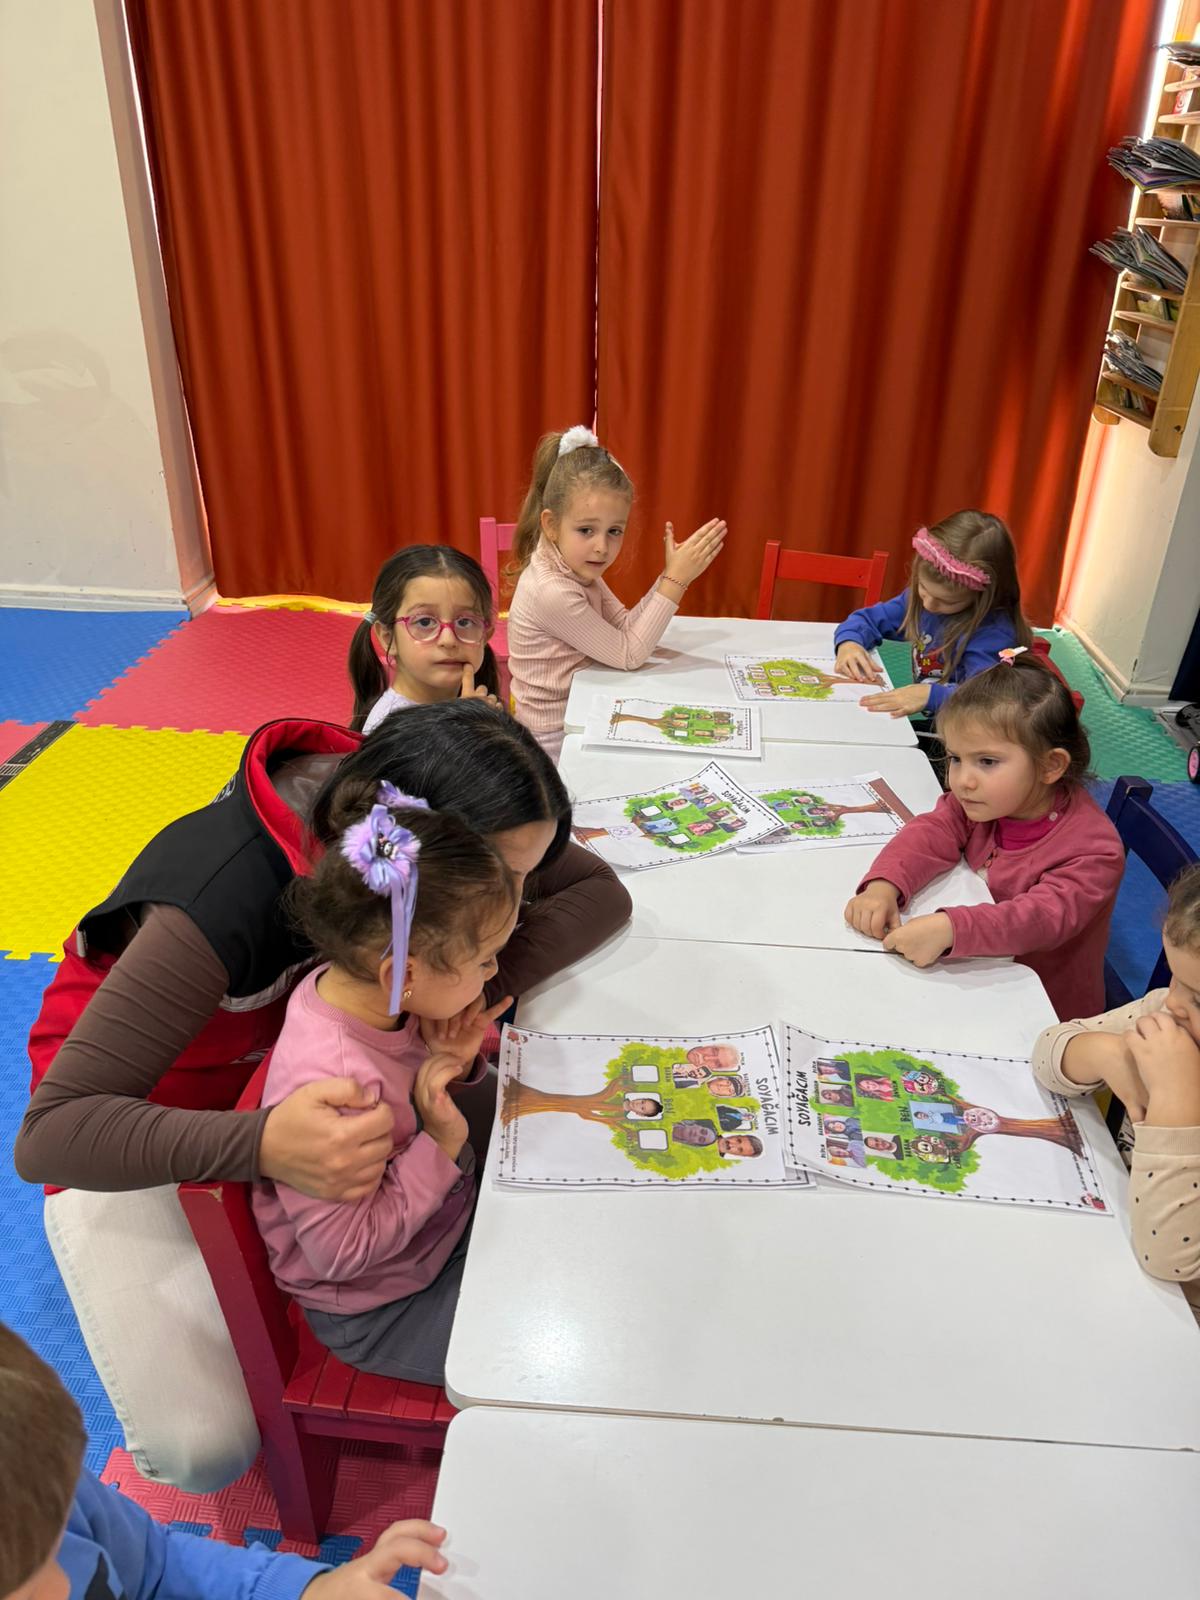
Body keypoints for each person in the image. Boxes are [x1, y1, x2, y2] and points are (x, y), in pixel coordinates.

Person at [15, 701, 631, 1493]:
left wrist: (460, 986)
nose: (523, 897)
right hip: (131, 1125)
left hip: (337, 1080)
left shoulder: (409, 818)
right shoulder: (222, 899)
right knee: (204, 1446)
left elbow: (599, 892)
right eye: (508, 881)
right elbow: (52, 1133)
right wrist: (262, 1143)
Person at [254, 789, 518, 1385]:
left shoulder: (374, 997)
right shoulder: (338, 1088)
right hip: (384, 1309)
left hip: (445, 1230)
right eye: (484, 960)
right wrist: (440, 1143)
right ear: (403, 972)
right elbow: (342, 1252)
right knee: (562, 1353)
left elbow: (428, 1094)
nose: (494, 972)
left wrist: (459, 1063)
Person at [0, 1321, 449, 1600]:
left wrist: (309, 1590)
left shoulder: (35, 1488)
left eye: (57, 1549)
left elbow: (156, 1564)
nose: (64, 1586)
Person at [843, 653, 1122, 1020]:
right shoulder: (991, 800)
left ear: (1050, 765)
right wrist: (885, 884)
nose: (962, 781)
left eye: (987, 762)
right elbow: (935, 829)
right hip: (974, 975)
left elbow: (1039, 918)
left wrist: (952, 928)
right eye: (956, 758)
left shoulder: (1094, 851)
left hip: (1043, 1008)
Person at [1031, 862, 1200, 1317]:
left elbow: (1170, 1260)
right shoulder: (1167, 1013)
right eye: (1174, 976)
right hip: (1114, 1227)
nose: (1173, 1002)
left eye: (1198, 997)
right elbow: (1048, 1052)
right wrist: (1105, 1053)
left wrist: (1177, 1102)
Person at [506, 425, 727, 758]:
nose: (602, 546)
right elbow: (629, 655)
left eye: (614, 531)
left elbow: (623, 625)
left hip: (581, 712)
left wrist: (669, 576)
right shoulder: (552, 590)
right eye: (586, 530)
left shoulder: (573, 564)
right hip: (553, 741)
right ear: (551, 525)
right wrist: (676, 580)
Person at [833, 512, 1031, 720]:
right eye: (923, 588)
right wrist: (849, 643)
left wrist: (931, 696)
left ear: (984, 597)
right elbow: (866, 619)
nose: (928, 605)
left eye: (948, 602)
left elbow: (987, 698)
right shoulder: (923, 601)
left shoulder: (993, 635)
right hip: (942, 723)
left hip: (969, 731)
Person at [348, 545, 504, 734]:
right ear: (388, 637)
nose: (448, 640)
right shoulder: (390, 728)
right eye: (424, 622)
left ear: (485, 636)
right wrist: (468, 730)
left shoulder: (470, 707)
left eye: (464, 622)